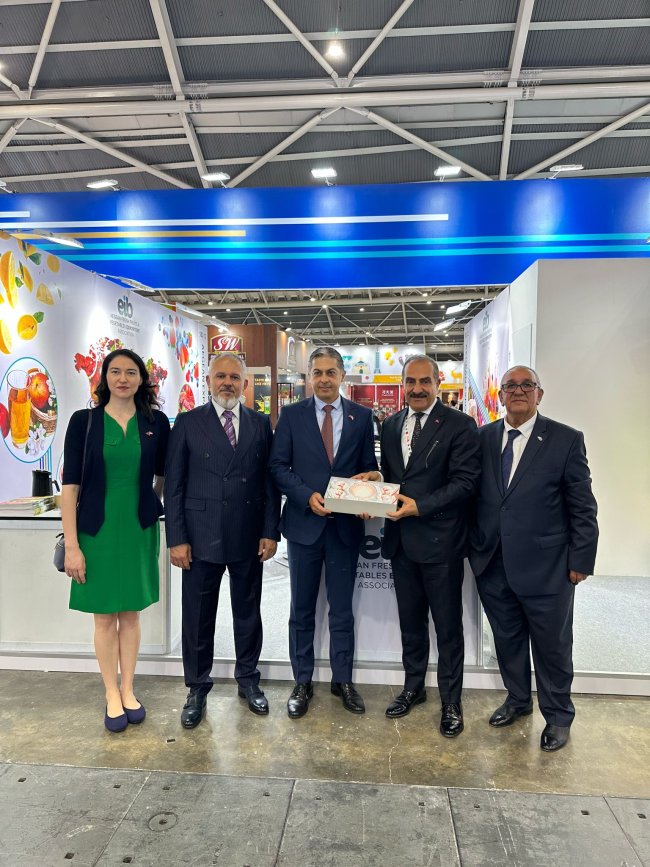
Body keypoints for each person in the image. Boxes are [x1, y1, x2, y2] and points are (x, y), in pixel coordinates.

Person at [469, 365, 598, 752]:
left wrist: (581, 560)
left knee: (551, 646)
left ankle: (558, 716)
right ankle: (518, 700)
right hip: (493, 563)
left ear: (540, 394)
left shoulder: (565, 440)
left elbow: (583, 506)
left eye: (527, 385)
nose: (519, 391)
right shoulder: (483, 438)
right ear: (500, 396)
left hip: (548, 567)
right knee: (507, 639)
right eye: (510, 386)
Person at [361, 355, 480, 737]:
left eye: (424, 381)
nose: (416, 388)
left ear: (438, 382)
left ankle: (451, 702)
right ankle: (413, 688)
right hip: (401, 544)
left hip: (441, 544)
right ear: (402, 384)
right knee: (411, 625)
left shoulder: (460, 425)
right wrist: (376, 481)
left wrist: (421, 506)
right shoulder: (392, 423)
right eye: (410, 382)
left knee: (447, 629)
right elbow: (397, 476)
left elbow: (465, 483)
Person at [164, 353, 280, 728]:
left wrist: (270, 530)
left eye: (234, 377)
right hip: (200, 536)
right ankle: (197, 688)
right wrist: (176, 538)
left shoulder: (260, 423)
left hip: (248, 533)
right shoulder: (187, 422)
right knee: (198, 618)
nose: (227, 382)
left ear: (245, 384)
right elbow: (174, 486)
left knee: (248, 613)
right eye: (220, 376)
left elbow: (269, 483)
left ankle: (248, 680)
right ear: (209, 381)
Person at [61, 349, 170, 733]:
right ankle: (111, 692)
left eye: (131, 372)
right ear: (105, 377)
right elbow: (70, 487)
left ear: (142, 379)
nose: (123, 378)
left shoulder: (156, 422)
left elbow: (162, 475)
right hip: (97, 531)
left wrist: (150, 502)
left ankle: (128, 689)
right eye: (115, 371)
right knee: (105, 616)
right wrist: (72, 546)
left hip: (138, 529)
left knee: (131, 614)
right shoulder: (84, 422)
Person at [269, 346, 378, 719]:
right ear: (309, 377)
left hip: (345, 529)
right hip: (304, 526)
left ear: (342, 376)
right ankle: (302, 681)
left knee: (342, 610)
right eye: (317, 372)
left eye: (331, 372)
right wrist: (305, 495)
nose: (324, 379)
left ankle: (342, 680)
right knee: (301, 610)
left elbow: (369, 466)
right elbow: (278, 466)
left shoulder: (362, 417)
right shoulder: (291, 415)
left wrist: (371, 481)